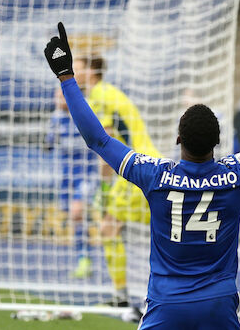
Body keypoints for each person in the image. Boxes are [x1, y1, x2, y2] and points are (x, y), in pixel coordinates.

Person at [44, 10, 240, 329]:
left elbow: (98, 140)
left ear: (177, 139)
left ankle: (120, 293)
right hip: (219, 305)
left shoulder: (154, 174)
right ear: (217, 142)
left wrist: (65, 76)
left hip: (166, 306)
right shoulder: (239, 173)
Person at [72, 55, 162, 305]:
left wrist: (104, 186)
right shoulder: (109, 93)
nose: (74, 74)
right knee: (166, 226)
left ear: (91, 72)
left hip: (136, 169)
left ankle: (122, 296)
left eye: (76, 69)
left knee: (109, 227)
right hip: (150, 166)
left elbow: (106, 144)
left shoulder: (99, 96)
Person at [45, 88, 99, 278]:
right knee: (76, 219)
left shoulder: (84, 116)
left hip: (87, 174)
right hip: (67, 176)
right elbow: (48, 145)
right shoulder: (56, 120)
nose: (57, 99)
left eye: (60, 95)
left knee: (77, 213)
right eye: (56, 96)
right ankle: (83, 258)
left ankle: (86, 258)